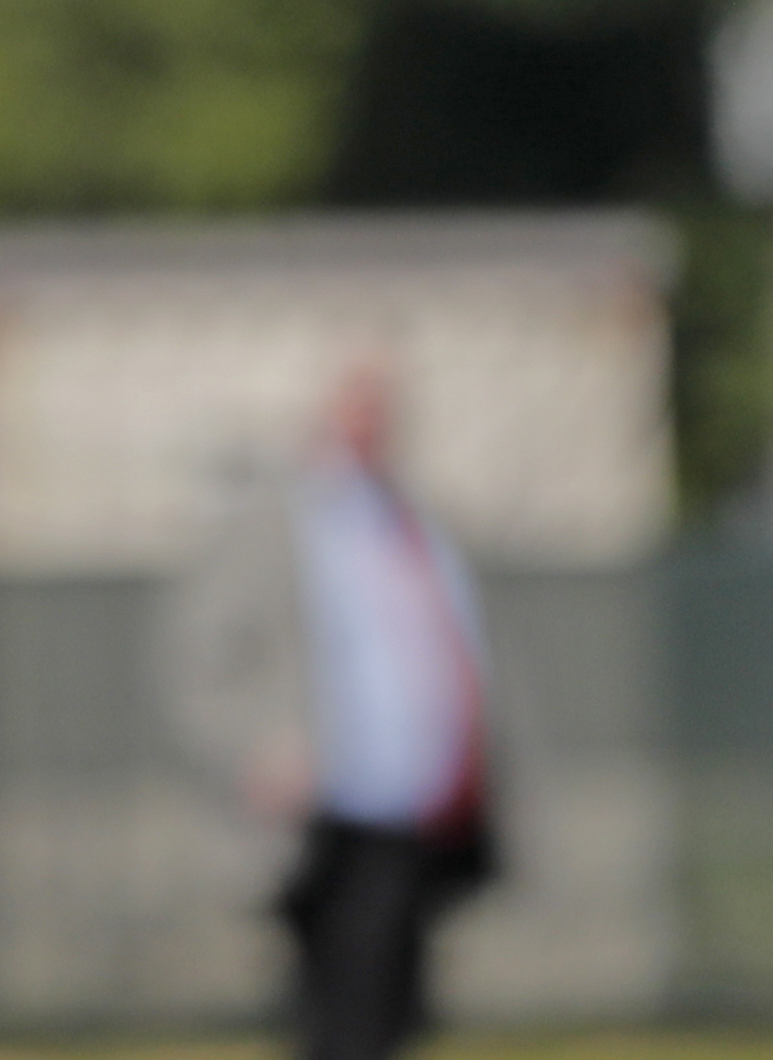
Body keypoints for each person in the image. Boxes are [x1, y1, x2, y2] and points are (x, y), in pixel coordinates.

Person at [161, 364, 498, 1060]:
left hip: (419, 806)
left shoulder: (412, 523)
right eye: (351, 415)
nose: (366, 433)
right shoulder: (278, 522)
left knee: (395, 1009)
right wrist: (251, 749)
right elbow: (199, 655)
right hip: (330, 812)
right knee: (342, 1015)